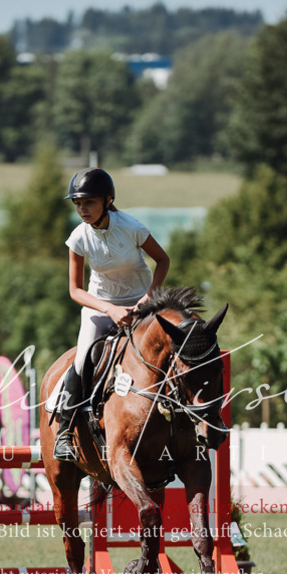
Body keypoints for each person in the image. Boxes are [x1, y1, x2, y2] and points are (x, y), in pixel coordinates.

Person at [54, 167, 170, 461]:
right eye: (78, 203)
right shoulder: (78, 237)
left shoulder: (131, 227)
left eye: (89, 202)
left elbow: (163, 260)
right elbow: (75, 291)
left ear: (108, 200)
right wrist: (109, 309)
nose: (82, 209)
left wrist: (148, 298)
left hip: (142, 303)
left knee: (169, 348)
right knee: (82, 360)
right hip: (101, 305)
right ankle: (65, 434)